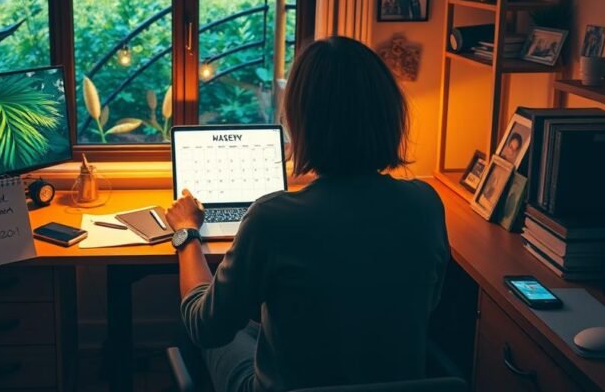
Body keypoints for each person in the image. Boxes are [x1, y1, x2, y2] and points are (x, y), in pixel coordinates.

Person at [166, 36, 450, 392]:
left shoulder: (272, 218)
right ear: (390, 114)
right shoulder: (425, 204)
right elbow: (430, 301)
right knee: (255, 327)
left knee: (199, 321)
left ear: (300, 121)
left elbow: (206, 327)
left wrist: (186, 233)